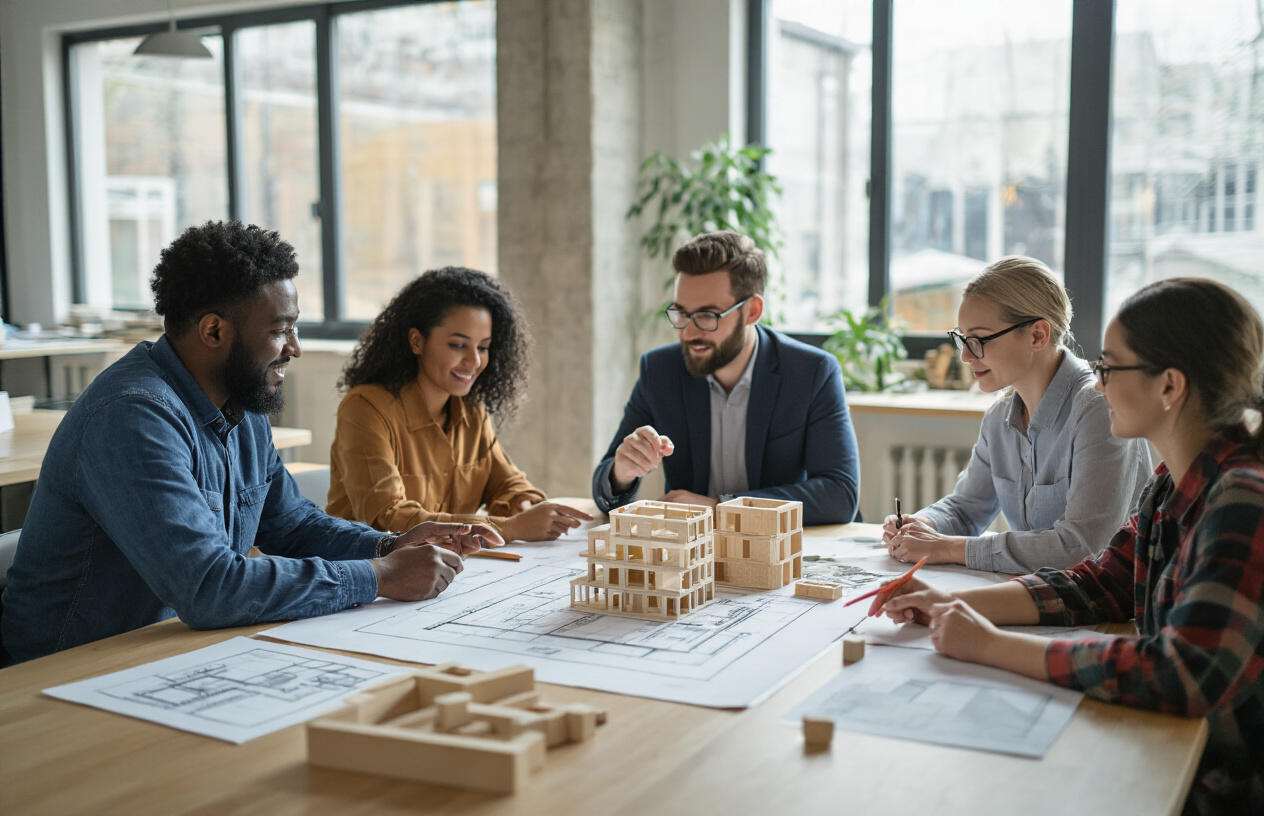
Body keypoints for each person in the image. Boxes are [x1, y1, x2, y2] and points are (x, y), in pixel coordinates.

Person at [0, 222, 501, 665]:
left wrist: (391, 544)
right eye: (281, 330)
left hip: (166, 653)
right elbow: (209, 587)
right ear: (214, 331)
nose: (296, 348)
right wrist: (379, 576)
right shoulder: (132, 416)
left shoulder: (243, 401)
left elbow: (292, 525)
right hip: (65, 671)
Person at [874, 278, 1264, 814]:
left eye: (1109, 368)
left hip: (1228, 782)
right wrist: (951, 603)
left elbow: (1183, 674)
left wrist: (991, 646)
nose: (1098, 385)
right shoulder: (1173, 483)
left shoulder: (1243, 498)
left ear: (1170, 387)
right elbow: (1102, 580)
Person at [882, 256, 1151, 573]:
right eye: (962, 339)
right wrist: (921, 525)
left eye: (979, 340)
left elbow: (1082, 547)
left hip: (1111, 612)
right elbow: (967, 510)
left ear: (1038, 335)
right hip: (1045, 599)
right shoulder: (1000, 416)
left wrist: (946, 547)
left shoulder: (1098, 409)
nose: (966, 355)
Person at [592, 230, 859, 526]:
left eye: (707, 316)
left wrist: (721, 509)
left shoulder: (812, 372)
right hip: (694, 556)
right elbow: (604, 491)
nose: (689, 333)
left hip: (779, 551)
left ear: (752, 311)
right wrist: (622, 471)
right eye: (681, 313)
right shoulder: (660, 370)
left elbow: (839, 495)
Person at [326, 268, 591, 541]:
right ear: (417, 341)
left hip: (447, 572)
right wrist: (510, 528)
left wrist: (524, 506)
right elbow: (386, 517)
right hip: (366, 573)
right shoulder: (365, 408)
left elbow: (508, 484)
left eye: (483, 347)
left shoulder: (472, 410)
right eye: (458, 345)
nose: (475, 361)